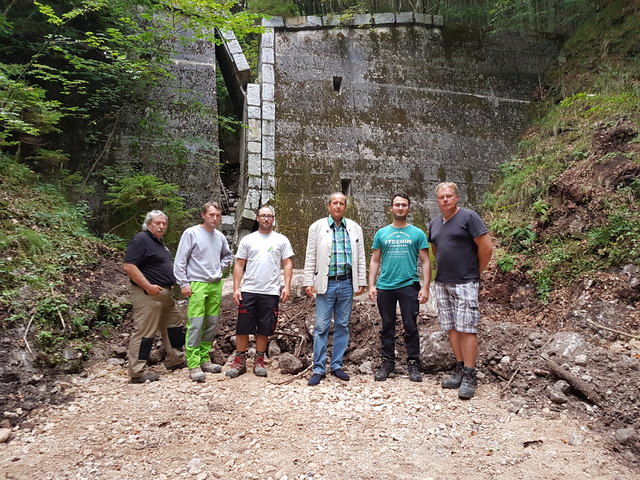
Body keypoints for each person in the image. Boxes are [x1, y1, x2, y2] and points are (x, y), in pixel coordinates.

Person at [428, 182, 493, 399]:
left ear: (457, 198)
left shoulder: (469, 217)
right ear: (437, 201)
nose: (445, 200)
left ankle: (470, 374)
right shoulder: (434, 223)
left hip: (466, 281)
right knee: (452, 327)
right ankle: (459, 368)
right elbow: (436, 249)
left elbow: (486, 247)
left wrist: (477, 272)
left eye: (449, 196)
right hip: (443, 282)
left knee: (467, 328)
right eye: (441, 197)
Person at [304, 192, 367, 386]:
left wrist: (361, 280)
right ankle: (318, 368)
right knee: (321, 326)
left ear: (345, 207)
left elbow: (361, 256)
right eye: (335, 203)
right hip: (327, 282)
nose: (338, 206)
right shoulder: (317, 227)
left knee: (343, 325)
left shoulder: (355, 228)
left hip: (347, 282)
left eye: (342, 203)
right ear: (328, 206)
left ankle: (337, 365)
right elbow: (310, 255)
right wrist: (308, 281)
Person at [368, 192, 431, 383]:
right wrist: (372, 284)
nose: (400, 208)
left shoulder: (417, 233)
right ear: (391, 208)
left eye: (404, 205)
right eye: (397, 205)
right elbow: (375, 260)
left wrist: (426, 287)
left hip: (409, 285)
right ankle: (387, 362)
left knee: (410, 326)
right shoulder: (382, 233)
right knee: (387, 326)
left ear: (408, 208)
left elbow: (426, 261)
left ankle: (413, 363)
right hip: (385, 286)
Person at [226, 206, 294, 378]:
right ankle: (239, 362)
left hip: (270, 291)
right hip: (249, 289)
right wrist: (236, 288)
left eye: (269, 216)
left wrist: (286, 286)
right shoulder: (248, 240)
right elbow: (240, 264)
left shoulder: (281, 240)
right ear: (257, 218)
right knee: (242, 327)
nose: (266, 219)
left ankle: (259, 361)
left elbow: (287, 263)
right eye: (263, 216)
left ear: (273, 219)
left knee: (264, 328)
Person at [123, 210, 187, 384]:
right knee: (145, 332)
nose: (161, 226)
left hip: (165, 295)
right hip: (147, 294)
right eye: (157, 223)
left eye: (164, 223)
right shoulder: (141, 239)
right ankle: (137, 372)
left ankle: (176, 360)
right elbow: (129, 266)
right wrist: (147, 286)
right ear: (148, 224)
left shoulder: (158, 242)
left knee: (174, 325)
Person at [174, 202, 232, 382]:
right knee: (196, 323)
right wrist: (183, 283)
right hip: (197, 283)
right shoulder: (191, 233)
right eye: (211, 215)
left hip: (215, 284)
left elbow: (227, 255)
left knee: (211, 322)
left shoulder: (220, 236)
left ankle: (204, 358)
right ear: (203, 215)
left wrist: (220, 270)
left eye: (217, 215)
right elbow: (180, 259)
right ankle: (193, 363)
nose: (215, 218)